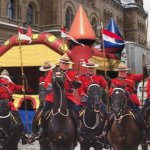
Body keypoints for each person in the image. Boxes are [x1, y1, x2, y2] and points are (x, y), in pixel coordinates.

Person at [99, 62, 149, 144]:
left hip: (131, 102)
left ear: (126, 71)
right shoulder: (114, 81)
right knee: (109, 117)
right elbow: (111, 93)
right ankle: (103, 134)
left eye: (124, 70)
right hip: (119, 104)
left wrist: (145, 69)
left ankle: (145, 135)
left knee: (140, 116)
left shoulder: (132, 77)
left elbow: (144, 76)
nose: (123, 72)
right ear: (118, 71)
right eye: (121, 70)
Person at [35, 54, 81, 139]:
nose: (64, 65)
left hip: (67, 96)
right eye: (63, 63)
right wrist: (52, 85)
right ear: (60, 63)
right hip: (53, 96)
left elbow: (78, 83)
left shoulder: (72, 73)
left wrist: (77, 83)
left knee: (76, 110)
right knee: (45, 110)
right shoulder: (52, 72)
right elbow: (46, 83)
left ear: (69, 64)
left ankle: (77, 131)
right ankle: (41, 130)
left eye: (66, 63)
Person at [0, 69, 28, 144]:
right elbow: (24, 88)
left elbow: (23, 88)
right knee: (18, 119)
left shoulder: (12, 85)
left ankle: (22, 135)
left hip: (8, 104)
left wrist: (24, 81)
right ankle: (23, 136)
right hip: (7, 104)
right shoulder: (11, 84)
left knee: (17, 117)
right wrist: (25, 81)